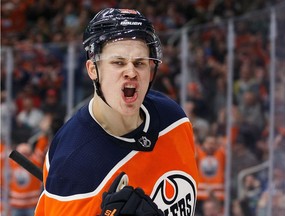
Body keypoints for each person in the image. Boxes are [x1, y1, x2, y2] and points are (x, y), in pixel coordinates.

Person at [35, 8, 199, 216]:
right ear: (93, 69)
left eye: (139, 63)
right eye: (118, 62)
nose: (131, 72)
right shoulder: (73, 164)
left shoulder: (174, 119)